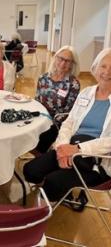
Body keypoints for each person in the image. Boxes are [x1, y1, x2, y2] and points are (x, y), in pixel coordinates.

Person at [23, 48, 111, 203]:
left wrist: (77, 149)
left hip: (97, 160)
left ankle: (47, 202)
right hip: (70, 145)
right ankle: (59, 191)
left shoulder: (74, 84)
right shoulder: (86, 93)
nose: (107, 72)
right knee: (30, 170)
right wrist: (62, 147)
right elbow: (69, 122)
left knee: (53, 182)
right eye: (103, 66)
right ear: (96, 67)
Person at [35, 46, 80, 154]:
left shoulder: (73, 84)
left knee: (42, 137)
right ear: (55, 58)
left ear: (72, 64)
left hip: (55, 123)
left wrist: (46, 121)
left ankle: (39, 159)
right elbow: (36, 100)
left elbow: (67, 112)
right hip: (38, 118)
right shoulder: (43, 78)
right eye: (60, 58)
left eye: (67, 61)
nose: (63, 63)